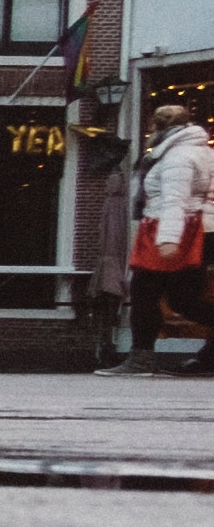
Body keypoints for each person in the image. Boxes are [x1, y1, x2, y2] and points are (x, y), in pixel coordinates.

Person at [112, 101, 213, 373]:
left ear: (158, 126)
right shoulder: (200, 150)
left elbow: (174, 200)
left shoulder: (177, 157)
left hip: (171, 229)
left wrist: (168, 239)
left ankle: (141, 358)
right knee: (184, 299)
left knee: (144, 292)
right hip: (196, 228)